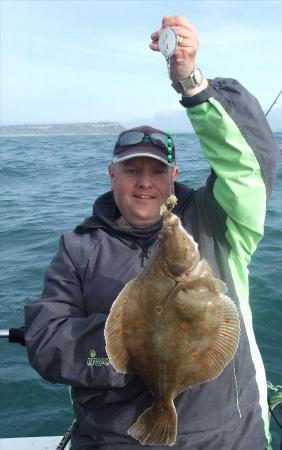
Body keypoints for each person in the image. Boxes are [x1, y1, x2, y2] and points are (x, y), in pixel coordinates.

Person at [24, 15, 279, 450]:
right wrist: (125, 350)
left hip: (227, 438)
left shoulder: (216, 220)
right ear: (111, 175)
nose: (145, 182)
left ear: (174, 175)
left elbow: (248, 165)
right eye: (132, 170)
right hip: (112, 440)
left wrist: (192, 84)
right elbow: (47, 341)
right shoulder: (79, 247)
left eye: (157, 170)